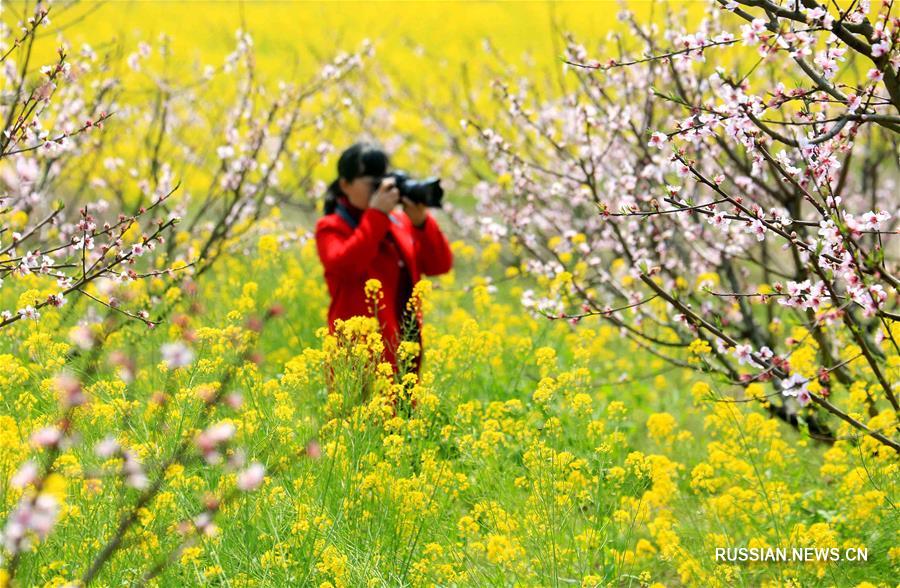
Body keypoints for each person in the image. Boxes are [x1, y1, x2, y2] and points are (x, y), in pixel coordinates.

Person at [315, 142, 453, 381]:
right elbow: (345, 267)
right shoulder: (331, 227)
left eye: (385, 181)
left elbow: (439, 264)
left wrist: (421, 222)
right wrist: (376, 215)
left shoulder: (398, 223)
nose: (382, 190)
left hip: (404, 348)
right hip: (357, 355)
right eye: (373, 183)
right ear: (345, 185)